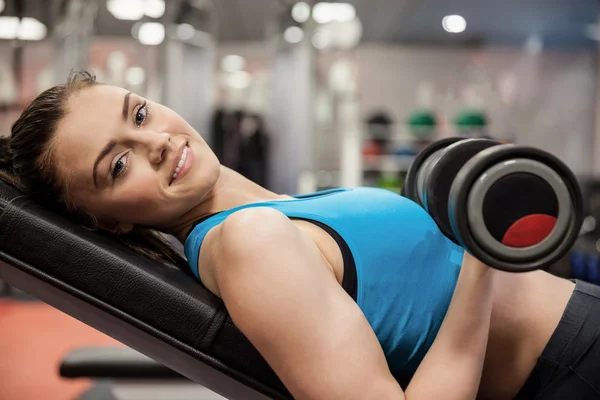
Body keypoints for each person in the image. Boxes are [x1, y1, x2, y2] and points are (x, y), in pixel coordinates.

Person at [0, 72, 598, 400]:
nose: (154, 140)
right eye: (118, 165)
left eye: (137, 114)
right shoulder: (248, 243)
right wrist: (479, 253)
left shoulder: (277, 211)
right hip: (570, 366)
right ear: (108, 222)